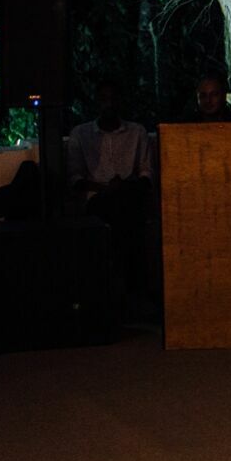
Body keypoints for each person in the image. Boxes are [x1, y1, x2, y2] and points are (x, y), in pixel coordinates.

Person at [67, 79, 158, 318]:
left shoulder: (137, 132)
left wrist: (124, 186)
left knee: (125, 207)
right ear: (97, 102)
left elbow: (147, 173)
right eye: (104, 99)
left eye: (113, 98)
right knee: (118, 213)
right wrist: (104, 188)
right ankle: (130, 292)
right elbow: (75, 177)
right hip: (98, 199)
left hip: (128, 195)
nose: (109, 104)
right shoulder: (81, 134)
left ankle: (126, 293)